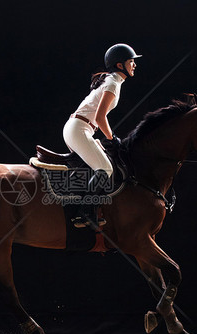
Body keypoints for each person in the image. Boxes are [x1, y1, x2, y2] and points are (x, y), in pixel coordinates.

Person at [63, 43, 142, 228]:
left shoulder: (113, 81)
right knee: (105, 169)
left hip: (80, 128)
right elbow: (100, 117)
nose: (135, 65)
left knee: (100, 165)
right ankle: (82, 212)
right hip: (79, 129)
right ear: (120, 65)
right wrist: (112, 138)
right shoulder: (113, 83)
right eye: (131, 61)